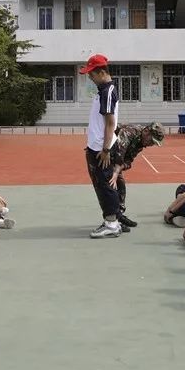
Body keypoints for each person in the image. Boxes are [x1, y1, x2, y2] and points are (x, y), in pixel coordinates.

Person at [78, 54, 123, 239]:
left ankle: (111, 223)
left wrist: (105, 150)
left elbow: (110, 123)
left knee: (105, 185)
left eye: (92, 74)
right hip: (96, 146)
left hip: (101, 149)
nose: (90, 77)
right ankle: (111, 221)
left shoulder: (107, 91)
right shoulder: (103, 90)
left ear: (102, 72)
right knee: (101, 184)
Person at [104, 122, 165, 232]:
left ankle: (118, 216)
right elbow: (120, 150)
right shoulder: (131, 131)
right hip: (104, 153)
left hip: (114, 161)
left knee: (119, 185)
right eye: (151, 141)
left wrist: (119, 169)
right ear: (146, 132)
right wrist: (116, 171)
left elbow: (128, 160)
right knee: (110, 187)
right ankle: (112, 220)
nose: (151, 144)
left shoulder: (141, 143)